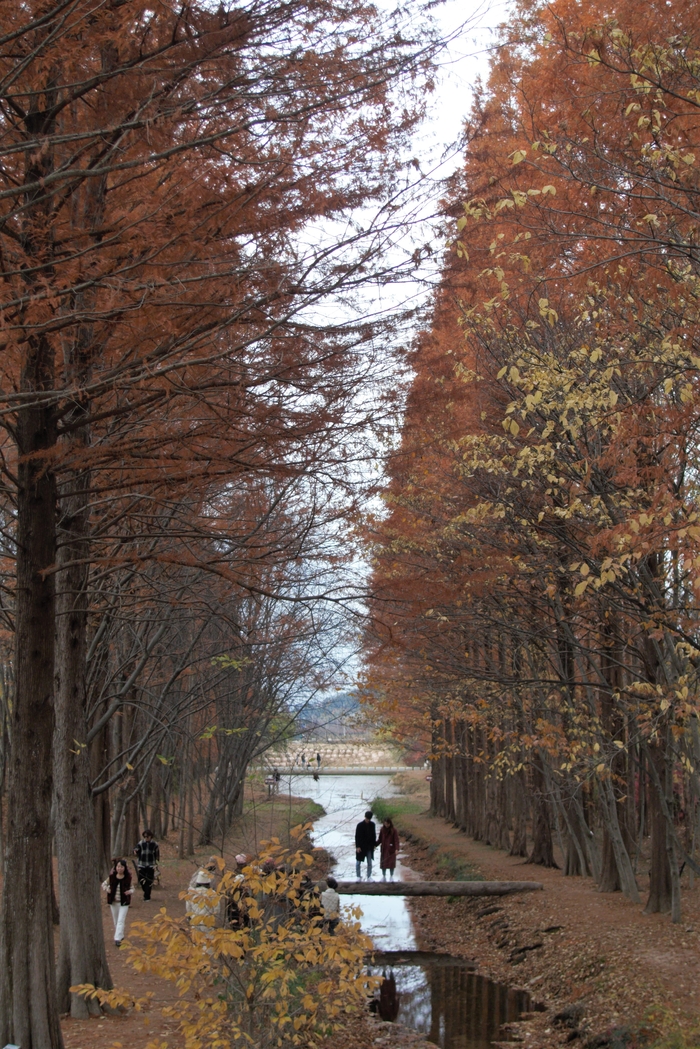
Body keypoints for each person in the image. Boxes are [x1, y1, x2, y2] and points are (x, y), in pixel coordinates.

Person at [103, 858, 134, 946]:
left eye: (121, 867)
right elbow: (104, 884)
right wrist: (107, 889)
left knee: (121, 920)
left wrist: (130, 892)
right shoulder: (111, 877)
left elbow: (132, 888)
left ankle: (117, 939)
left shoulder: (128, 878)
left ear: (124, 868)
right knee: (116, 921)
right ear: (116, 867)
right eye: (118, 866)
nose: (119, 868)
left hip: (124, 903)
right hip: (114, 902)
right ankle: (121, 935)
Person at [134, 828, 160, 900]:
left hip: (151, 865)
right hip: (142, 864)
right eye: (145, 837)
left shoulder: (155, 844)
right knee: (141, 879)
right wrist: (135, 851)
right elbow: (136, 848)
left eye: (147, 837)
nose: (146, 838)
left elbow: (157, 855)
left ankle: (147, 896)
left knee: (149, 880)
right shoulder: (141, 843)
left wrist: (156, 864)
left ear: (150, 837)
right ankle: (146, 891)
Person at [355, 810, 376, 880]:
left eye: (369, 819)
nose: (368, 820)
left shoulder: (372, 825)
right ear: (365, 817)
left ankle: (369, 876)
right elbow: (356, 836)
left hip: (369, 847)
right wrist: (357, 846)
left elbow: (374, 835)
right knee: (358, 862)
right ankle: (358, 876)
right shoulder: (359, 825)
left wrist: (374, 845)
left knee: (369, 862)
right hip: (361, 847)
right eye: (367, 819)